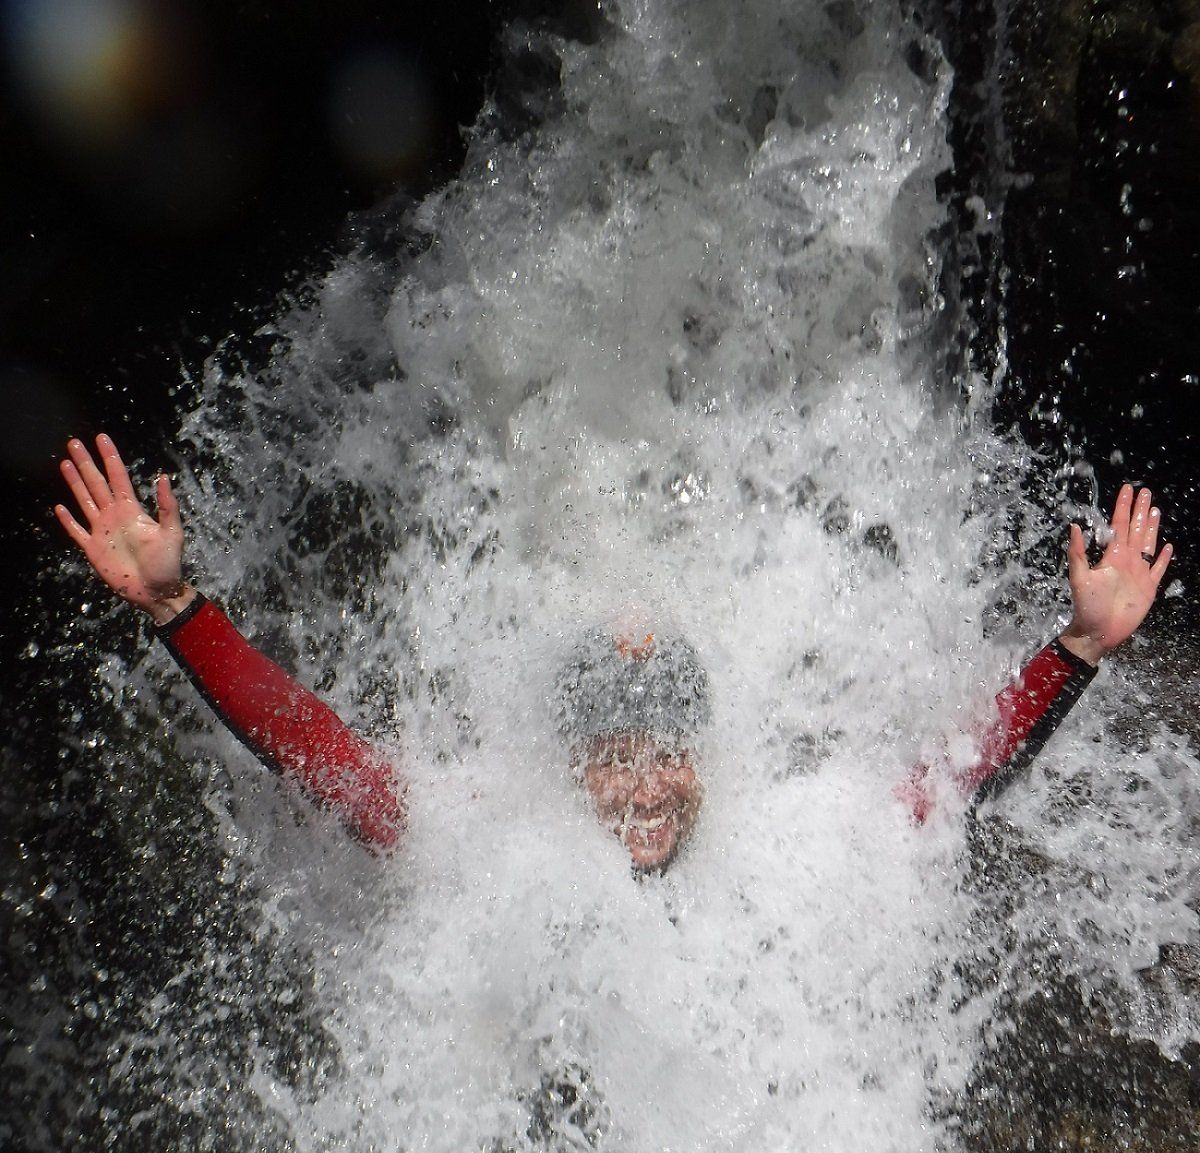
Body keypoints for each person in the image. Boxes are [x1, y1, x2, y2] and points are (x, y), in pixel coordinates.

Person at [54, 434, 1174, 869]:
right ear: (567, 762)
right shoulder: (495, 856)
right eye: (612, 753)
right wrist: (179, 608)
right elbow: (325, 754)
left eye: (663, 750)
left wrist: (1078, 645)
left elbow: (954, 780)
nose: (643, 782)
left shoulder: (792, 858)